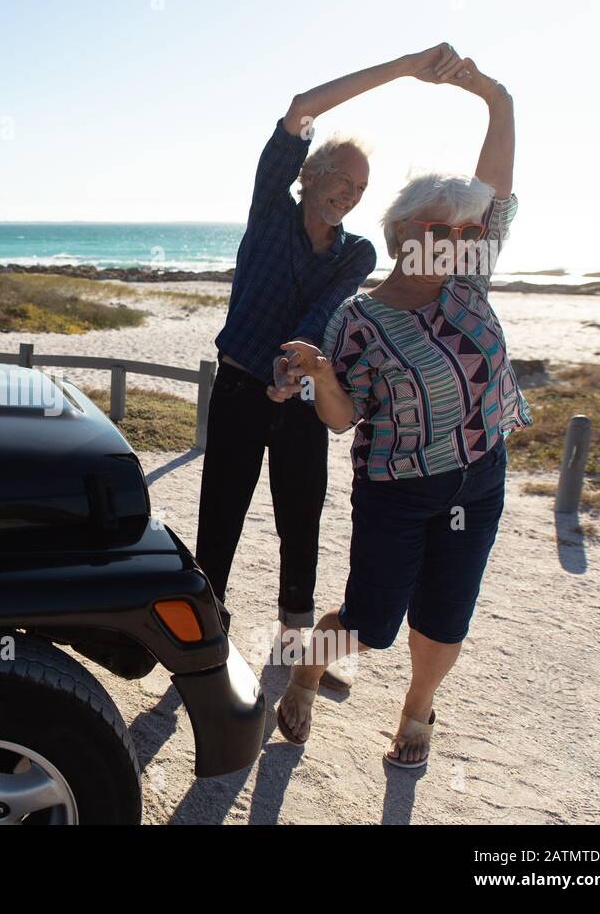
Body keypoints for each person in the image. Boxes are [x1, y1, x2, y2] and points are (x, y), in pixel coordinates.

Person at [273, 53, 527, 768]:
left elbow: (496, 189)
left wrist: (492, 95)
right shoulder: (357, 318)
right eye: (447, 230)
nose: (464, 240)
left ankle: (417, 713)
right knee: (368, 623)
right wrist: (321, 374)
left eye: (468, 233)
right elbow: (340, 418)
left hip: (480, 477)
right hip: (397, 490)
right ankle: (307, 667)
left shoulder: (467, 285)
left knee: (446, 617)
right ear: (407, 231)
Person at [196, 44, 460, 687]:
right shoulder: (268, 212)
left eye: (360, 188)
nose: (348, 193)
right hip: (236, 388)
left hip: (302, 395)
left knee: (301, 518)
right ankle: (202, 642)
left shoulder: (357, 253)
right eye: (339, 178)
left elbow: (321, 315)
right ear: (307, 173)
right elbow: (299, 109)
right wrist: (402, 69)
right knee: (221, 515)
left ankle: (295, 646)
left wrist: (296, 371)